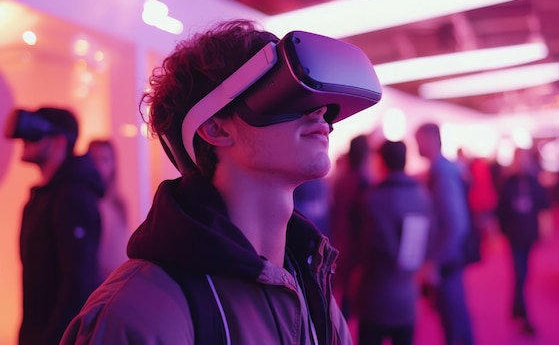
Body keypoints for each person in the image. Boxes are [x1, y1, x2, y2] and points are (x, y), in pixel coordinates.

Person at [61, 19, 381, 344]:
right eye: (286, 94)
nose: (321, 112)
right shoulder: (139, 311)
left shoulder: (309, 282)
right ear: (216, 128)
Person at [4, 107, 104, 345]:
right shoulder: (45, 195)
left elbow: (78, 282)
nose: (24, 141)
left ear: (60, 142)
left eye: (35, 134)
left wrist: (52, 339)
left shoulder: (73, 197)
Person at [354, 140, 433, 345]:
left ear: (381, 161)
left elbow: (365, 248)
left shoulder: (373, 198)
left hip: (376, 295)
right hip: (408, 294)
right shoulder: (421, 196)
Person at [415, 122, 475, 345]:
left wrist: (435, 261)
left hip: (448, 261)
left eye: (418, 140)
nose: (416, 146)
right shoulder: (442, 170)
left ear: (430, 140)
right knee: (455, 320)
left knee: (455, 323)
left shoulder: (441, 173)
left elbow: (456, 224)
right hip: (448, 258)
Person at [495, 147, 550, 335]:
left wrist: (544, 231)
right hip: (514, 235)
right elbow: (501, 209)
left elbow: (543, 207)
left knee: (523, 274)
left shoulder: (534, 183)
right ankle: (524, 315)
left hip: (529, 234)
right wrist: (501, 231)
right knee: (519, 274)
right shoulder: (508, 184)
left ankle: (516, 308)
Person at [329, 134, 372, 319]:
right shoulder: (364, 182)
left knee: (342, 295)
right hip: (356, 246)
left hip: (339, 239)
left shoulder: (341, 180)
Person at [87, 139, 131, 279]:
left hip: (117, 279)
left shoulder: (119, 204)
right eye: (94, 159)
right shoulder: (85, 202)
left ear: (113, 165)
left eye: (105, 160)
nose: (99, 166)